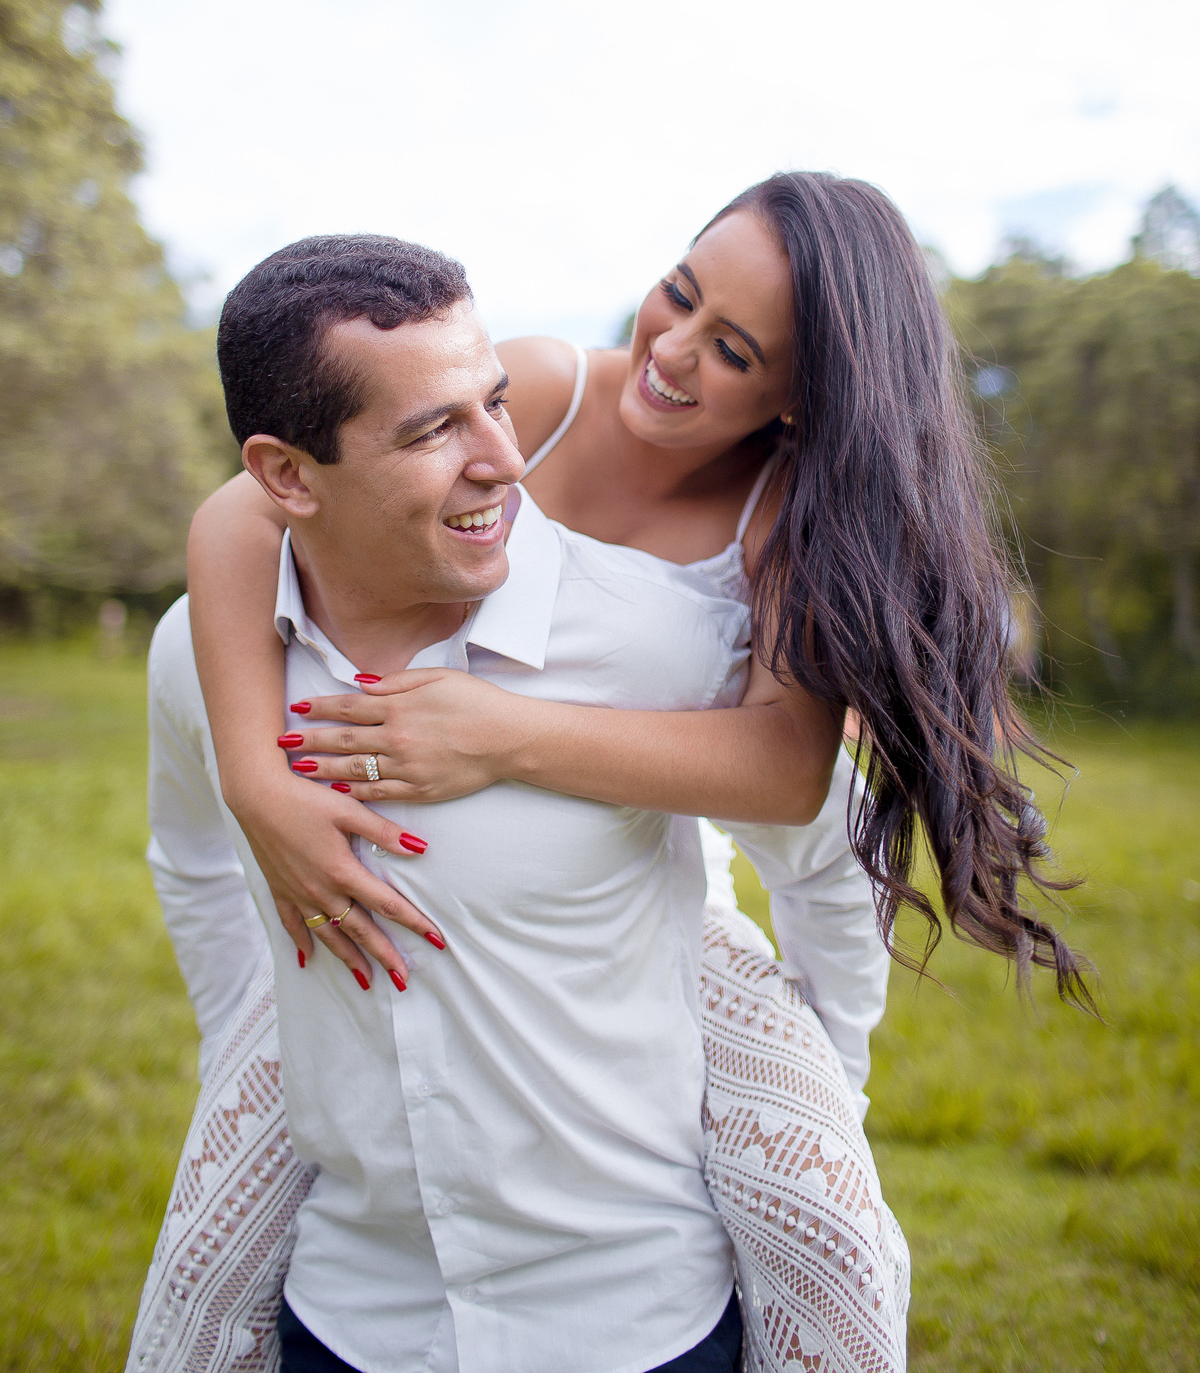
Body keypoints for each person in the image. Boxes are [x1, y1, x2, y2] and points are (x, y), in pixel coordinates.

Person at [137, 229, 906, 1373]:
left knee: (838, 1240)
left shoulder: (681, 629)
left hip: (633, 1314)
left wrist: (819, 1100)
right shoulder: (215, 647)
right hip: (354, 1313)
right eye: (434, 427)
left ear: (794, 402)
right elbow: (192, 859)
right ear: (290, 473)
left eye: (491, 406)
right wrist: (256, 1029)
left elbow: (808, 814)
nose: (505, 458)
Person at [188, 172, 1086, 1006]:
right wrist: (253, 780)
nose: (672, 349)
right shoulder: (539, 391)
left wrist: (502, 736)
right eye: (681, 292)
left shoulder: (776, 519)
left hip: (636, 860)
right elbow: (242, 515)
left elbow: (785, 769)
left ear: (800, 397)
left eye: (732, 351)